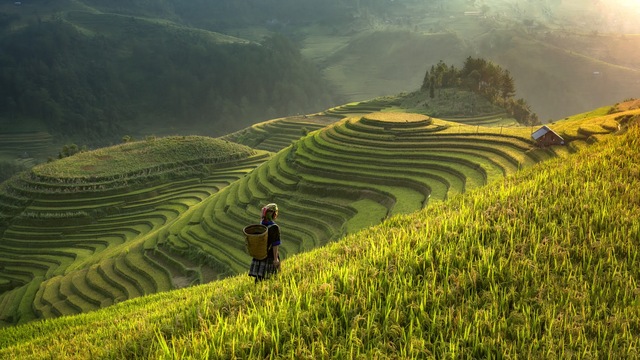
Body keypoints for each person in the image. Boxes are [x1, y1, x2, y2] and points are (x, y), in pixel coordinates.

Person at [248, 203, 281, 283]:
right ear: (273, 214)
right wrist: (275, 259)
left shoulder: (261, 224)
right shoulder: (274, 227)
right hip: (269, 256)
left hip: (260, 255)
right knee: (271, 279)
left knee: (259, 279)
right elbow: (275, 244)